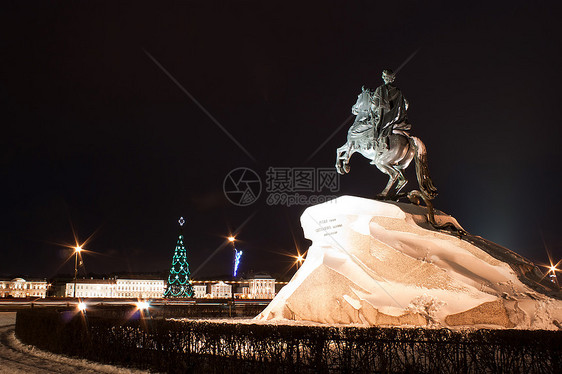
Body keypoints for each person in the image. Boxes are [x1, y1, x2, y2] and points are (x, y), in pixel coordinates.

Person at [371, 69, 411, 144]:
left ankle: (376, 141)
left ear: (384, 78)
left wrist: (373, 110)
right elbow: (406, 104)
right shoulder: (399, 91)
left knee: (375, 125)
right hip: (398, 119)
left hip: (385, 119)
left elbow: (374, 105)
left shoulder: (380, 89)